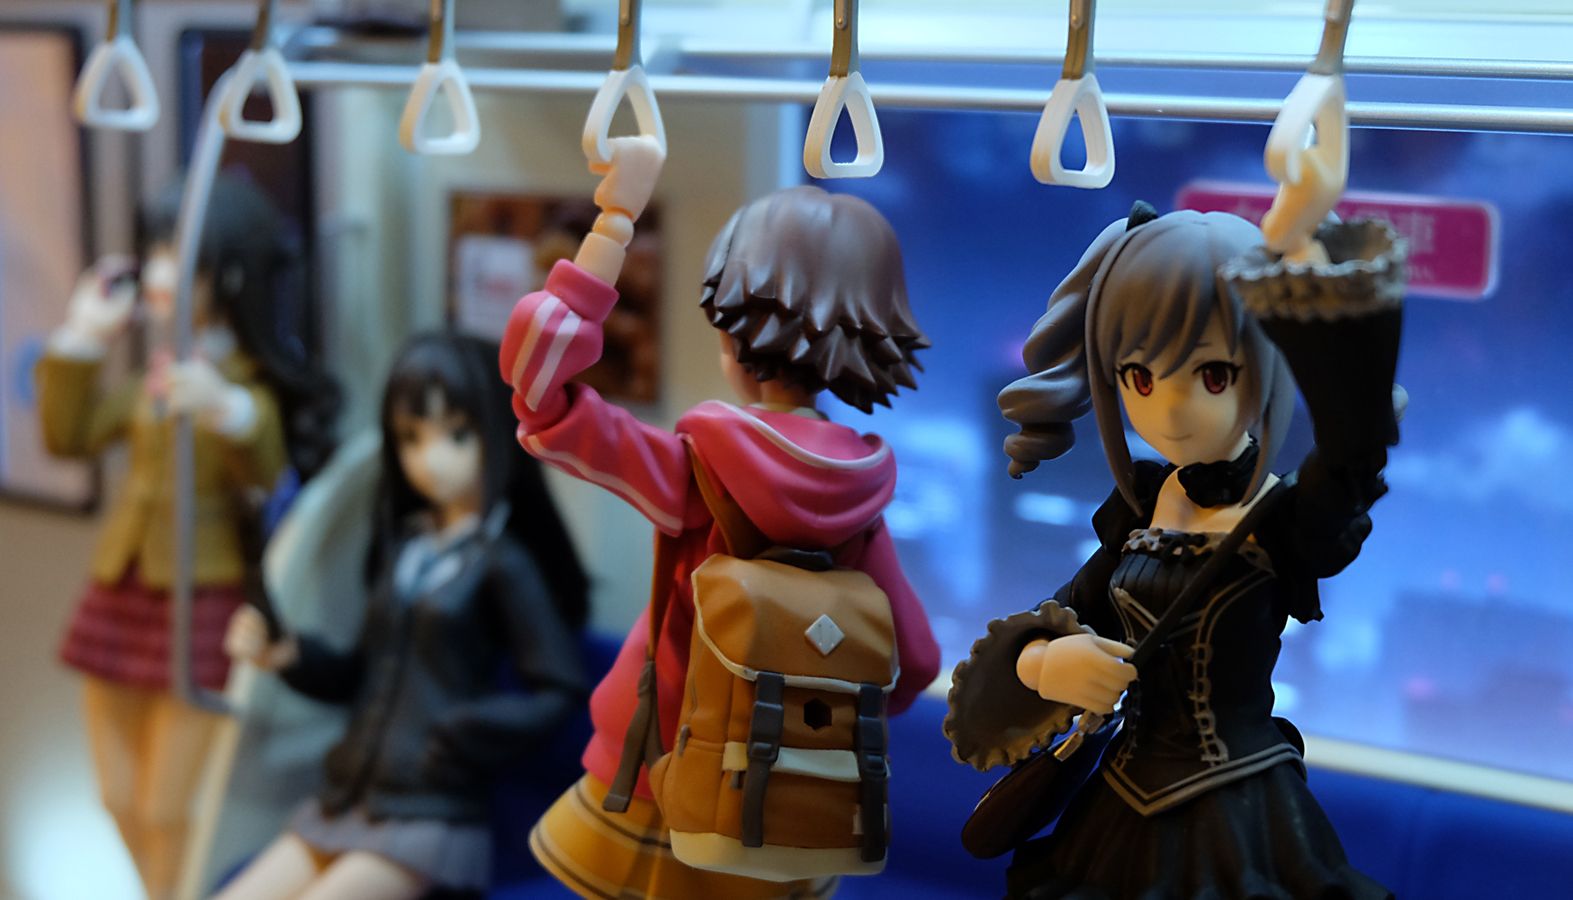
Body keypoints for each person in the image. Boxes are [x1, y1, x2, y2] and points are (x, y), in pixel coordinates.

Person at [503, 136, 940, 899]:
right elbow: (917, 663)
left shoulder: (693, 468)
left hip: (659, 775)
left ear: (734, 335)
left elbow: (542, 397)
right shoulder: (862, 498)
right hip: (787, 798)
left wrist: (614, 219)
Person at [944, 179, 1403, 896]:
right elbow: (1065, 609)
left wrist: (1337, 324)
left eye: (1212, 374)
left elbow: (1346, 462)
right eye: (1138, 375)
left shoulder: (1283, 513)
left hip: (1237, 806)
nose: (1170, 408)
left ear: (1263, 368)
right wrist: (1046, 661)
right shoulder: (1139, 509)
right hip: (1119, 798)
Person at [36, 174, 336, 900]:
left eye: (179, 256)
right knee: (117, 795)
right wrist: (82, 338)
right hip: (124, 585)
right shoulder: (158, 372)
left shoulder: (241, 381)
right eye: (156, 252)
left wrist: (228, 409)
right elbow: (69, 435)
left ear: (226, 274)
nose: (159, 272)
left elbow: (269, 470)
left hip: (203, 592)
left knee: (167, 807)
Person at [219, 332, 589, 899]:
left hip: (433, 814)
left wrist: (463, 730)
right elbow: (360, 675)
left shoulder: (503, 563)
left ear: (494, 434)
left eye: (456, 435)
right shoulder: (406, 551)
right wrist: (289, 653)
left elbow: (559, 690)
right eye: (411, 438)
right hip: (349, 796)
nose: (429, 461)